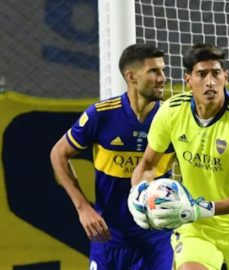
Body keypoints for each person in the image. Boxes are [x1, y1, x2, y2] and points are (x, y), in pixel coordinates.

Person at [128, 43, 229, 270]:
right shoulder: (171, 111)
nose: (210, 81)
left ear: (225, 77)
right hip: (197, 227)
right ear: (188, 81)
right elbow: (148, 165)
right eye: (202, 74)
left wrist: (203, 208)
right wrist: (138, 193)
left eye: (216, 73)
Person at [50, 44, 175, 270]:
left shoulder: (172, 119)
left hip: (156, 241)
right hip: (108, 239)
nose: (162, 78)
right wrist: (82, 208)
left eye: (163, 70)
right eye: (154, 71)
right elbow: (58, 154)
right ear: (132, 77)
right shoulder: (102, 115)